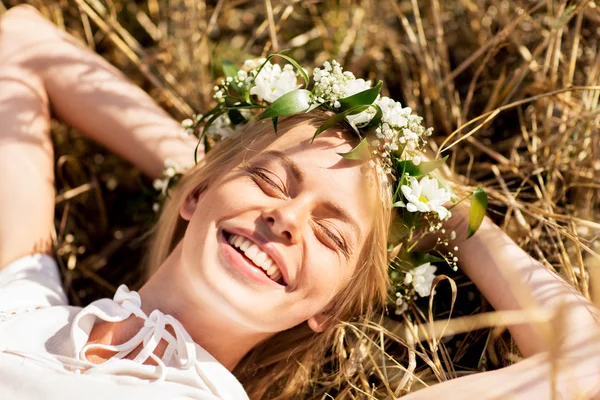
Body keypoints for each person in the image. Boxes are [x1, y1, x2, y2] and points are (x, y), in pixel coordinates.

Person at [0, 5, 598, 399]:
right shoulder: (20, 299)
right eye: (271, 183)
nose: (286, 219)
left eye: (332, 235)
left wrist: (456, 217)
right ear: (196, 193)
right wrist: (210, 174)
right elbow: (21, 42)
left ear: (330, 312)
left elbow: (587, 362)